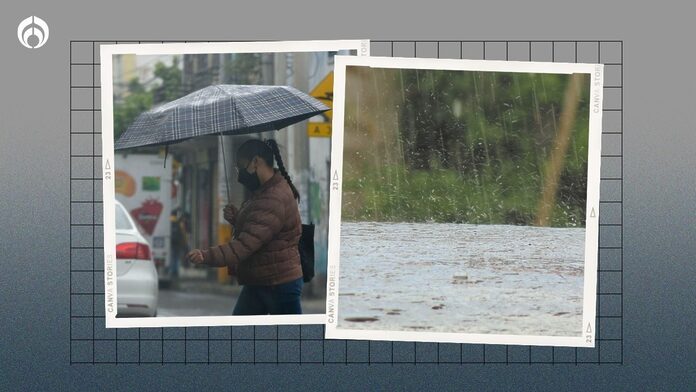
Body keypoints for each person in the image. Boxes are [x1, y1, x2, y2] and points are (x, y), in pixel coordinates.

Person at [186, 139, 303, 315]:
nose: (240, 173)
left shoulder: (272, 198)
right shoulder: (266, 191)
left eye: (240, 167)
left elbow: (245, 245)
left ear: (256, 162)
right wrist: (239, 217)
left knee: (290, 339)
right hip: (262, 280)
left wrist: (205, 256)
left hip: (277, 284)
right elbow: (261, 228)